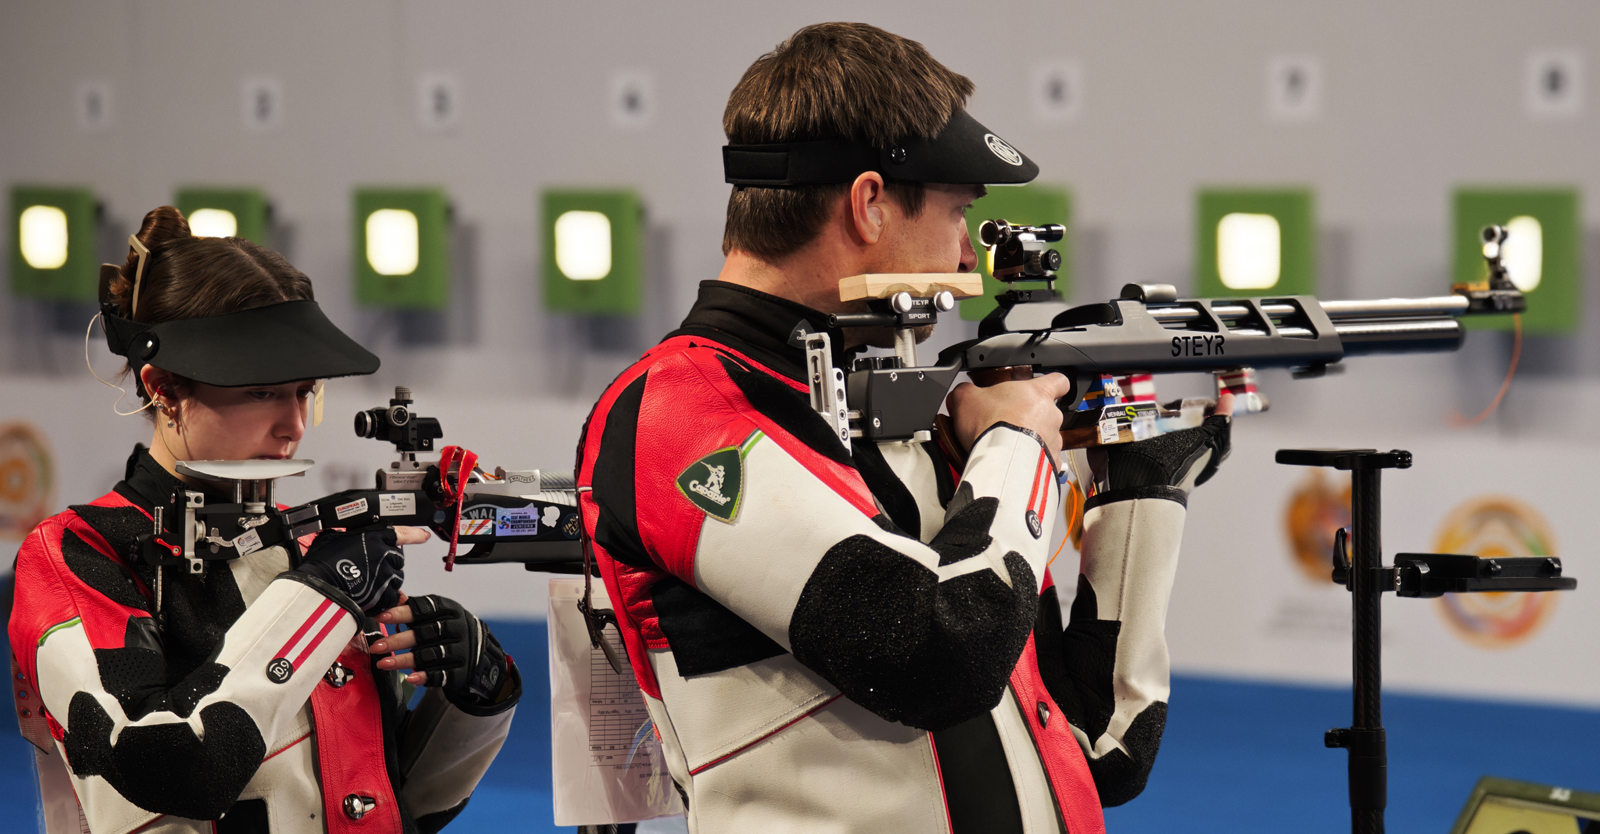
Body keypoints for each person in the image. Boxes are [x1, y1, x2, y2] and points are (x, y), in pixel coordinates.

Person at [575, 22, 1233, 834]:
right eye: (960, 214)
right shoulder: (674, 414)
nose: (968, 257)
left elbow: (1098, 747)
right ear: (870, 204)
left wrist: (1143, 486)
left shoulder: (895, 409)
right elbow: (940, 654)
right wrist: (1018, 445)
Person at [9, 206, 521, 834]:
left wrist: (473, 691)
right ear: (164, 387)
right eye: (262, 392)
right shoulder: (79, 552)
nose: (294, 423)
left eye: (303, 390)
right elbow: (166, 765)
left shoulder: (310, 542)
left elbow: (391, 803)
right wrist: (320, 599)